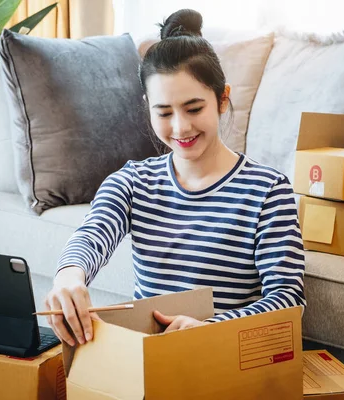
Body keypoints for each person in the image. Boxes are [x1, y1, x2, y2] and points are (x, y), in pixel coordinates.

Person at [45, 9, 306, 346]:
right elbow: (92, 236)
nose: (181, 128)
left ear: (222, 98)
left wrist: (211, 328)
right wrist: (68, 277)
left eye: (194, 108)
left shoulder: (268, 190)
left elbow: (288, 300)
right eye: (164, 112)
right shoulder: (132, 183)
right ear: (147, 106)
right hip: (150, 363)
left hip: (226, 361)